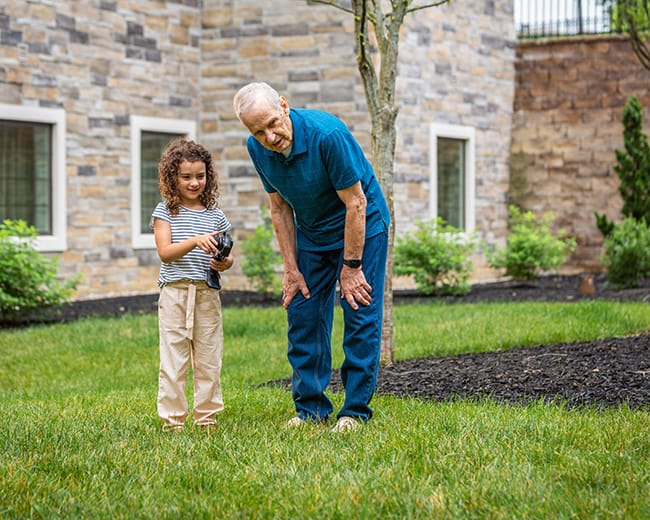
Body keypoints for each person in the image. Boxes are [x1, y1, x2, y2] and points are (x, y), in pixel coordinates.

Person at [233, 82, 390, 432]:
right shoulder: (256, 148)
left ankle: (354, 412)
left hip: (363, 226)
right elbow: (279, 209)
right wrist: (291, 269)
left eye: (273, 123)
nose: (270, 137)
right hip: (313, 232)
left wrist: (351, 268)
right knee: (303, 312)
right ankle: (311, 410)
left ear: (285, 106)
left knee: (358, 309)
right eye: (258, 132)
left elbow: (357, 203)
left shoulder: (327, 134)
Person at [151, 139, 233, 432]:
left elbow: (228, 255)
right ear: (173, 177)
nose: (194, 182)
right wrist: (195, 241)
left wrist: (224, 262)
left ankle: (206, 418)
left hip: (206, 294)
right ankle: (173, 422)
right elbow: (165, 252)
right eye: (186, 176)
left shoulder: (215, 214)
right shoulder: (165, 212)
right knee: (174, 360)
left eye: (200, 175)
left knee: (209, 359)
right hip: (175, 293)